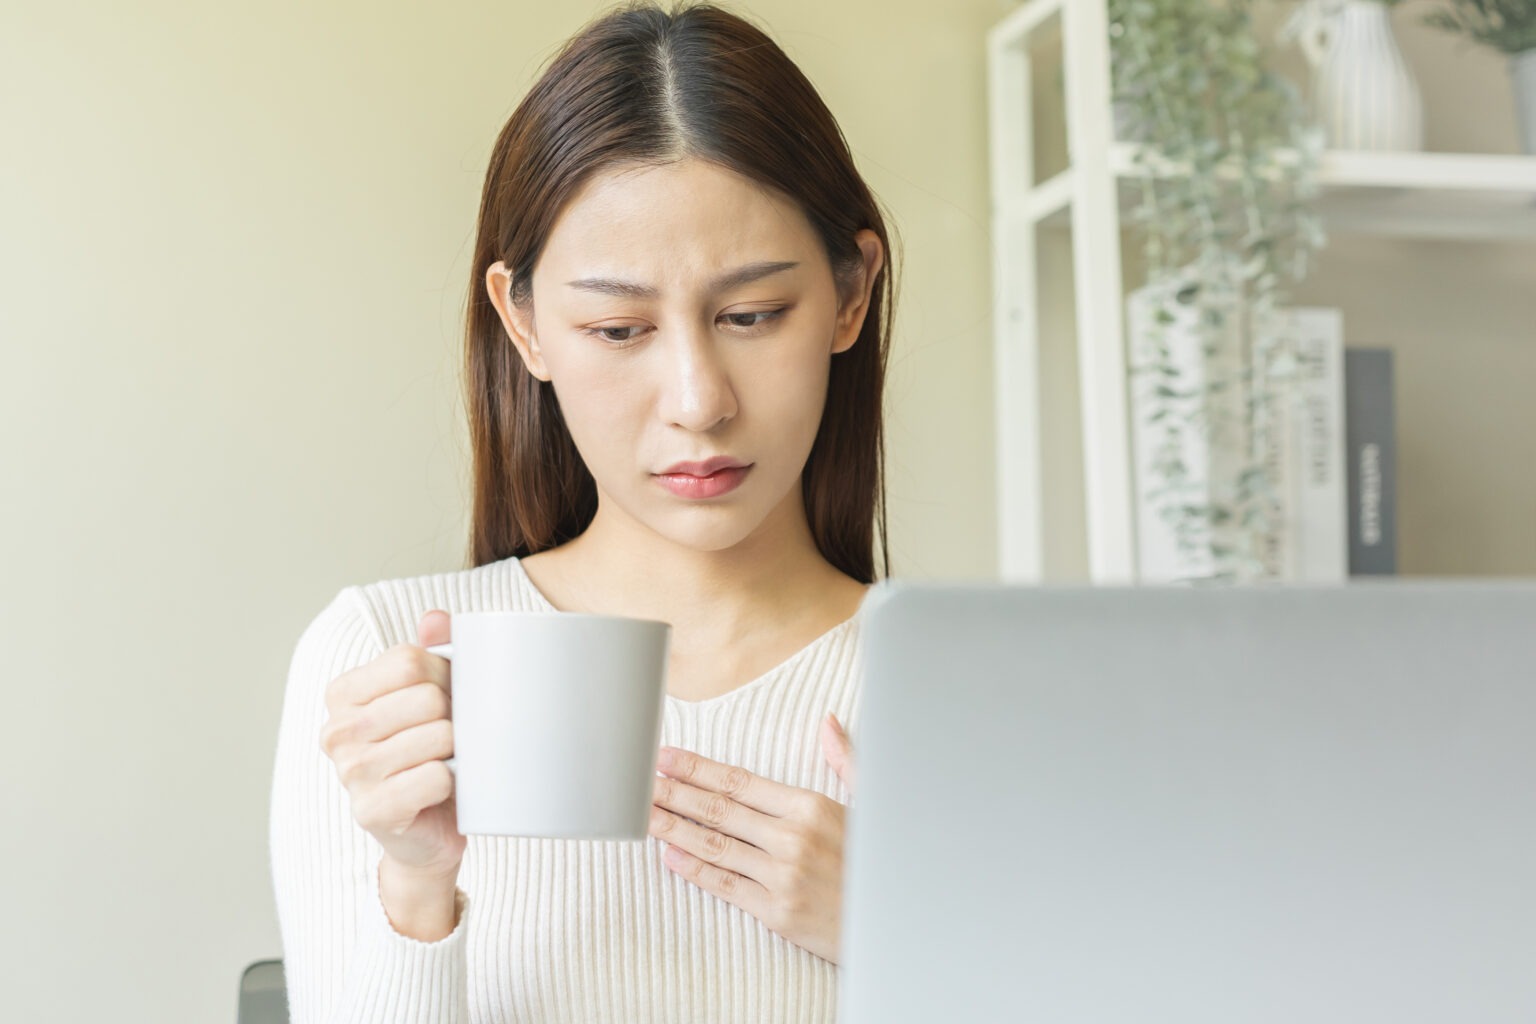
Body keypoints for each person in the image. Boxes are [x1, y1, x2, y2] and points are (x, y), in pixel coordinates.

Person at [269, 2, 895, 1021]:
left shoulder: (961, 693)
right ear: (525, 324)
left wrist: (902, 930)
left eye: (752, 316)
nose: (698, 398)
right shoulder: (380, 662)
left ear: (850, 294)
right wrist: (417, 886)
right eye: (617, 327)